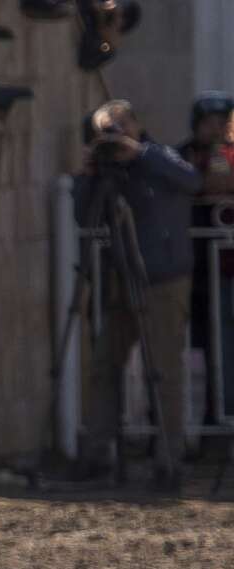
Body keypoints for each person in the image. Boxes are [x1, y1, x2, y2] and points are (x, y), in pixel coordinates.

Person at [73, 99, 201, 490]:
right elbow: (84, 215)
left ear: (135, 124)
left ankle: (168, 462)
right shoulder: (107, 172)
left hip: (163, 278)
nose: (112, 136)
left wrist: (138, 154)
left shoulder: (159, 156)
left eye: (117, 127)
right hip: (121, 277)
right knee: (104, 364)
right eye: (103, 131)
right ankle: (96, 456)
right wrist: (89, 173)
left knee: (163, 371)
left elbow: (190, 181)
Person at [181, 92, 234, 414]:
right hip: (193, 268)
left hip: (226, 268)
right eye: (210, 123)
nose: (216, 130)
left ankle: (224, 414)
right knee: (199, 345)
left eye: (222, 123)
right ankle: (203, 421)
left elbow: (219, 184)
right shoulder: (182, 155)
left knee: (225, 344)